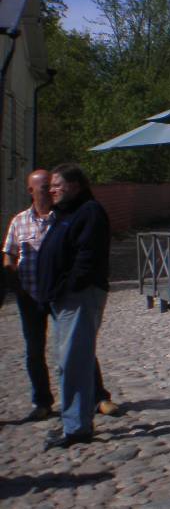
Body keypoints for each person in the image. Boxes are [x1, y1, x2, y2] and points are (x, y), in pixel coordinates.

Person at [2, 170, 117, 424]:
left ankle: (97, 398)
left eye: (52, 185)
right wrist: (15, 284)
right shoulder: (20, 221)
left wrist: (69, 285)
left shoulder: (65, 215)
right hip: (30, 294)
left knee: (76, 347)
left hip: (60, 293)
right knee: (35, 350)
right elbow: (9, 253)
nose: (50, 191)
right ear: (31, 191)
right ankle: (43, 401)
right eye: (44, 187)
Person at [35, 164, 112, 449]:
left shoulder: (88, 212)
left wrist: (68, 287)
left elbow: (87, 256)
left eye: (58, 185)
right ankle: (74, 419)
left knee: (74, 362)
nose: (52, 190)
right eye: (51, 186)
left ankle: (77, 427)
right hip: (63, 298)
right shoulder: (65, 214)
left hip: (78, 296)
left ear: (75, 186)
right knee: (66, 361)